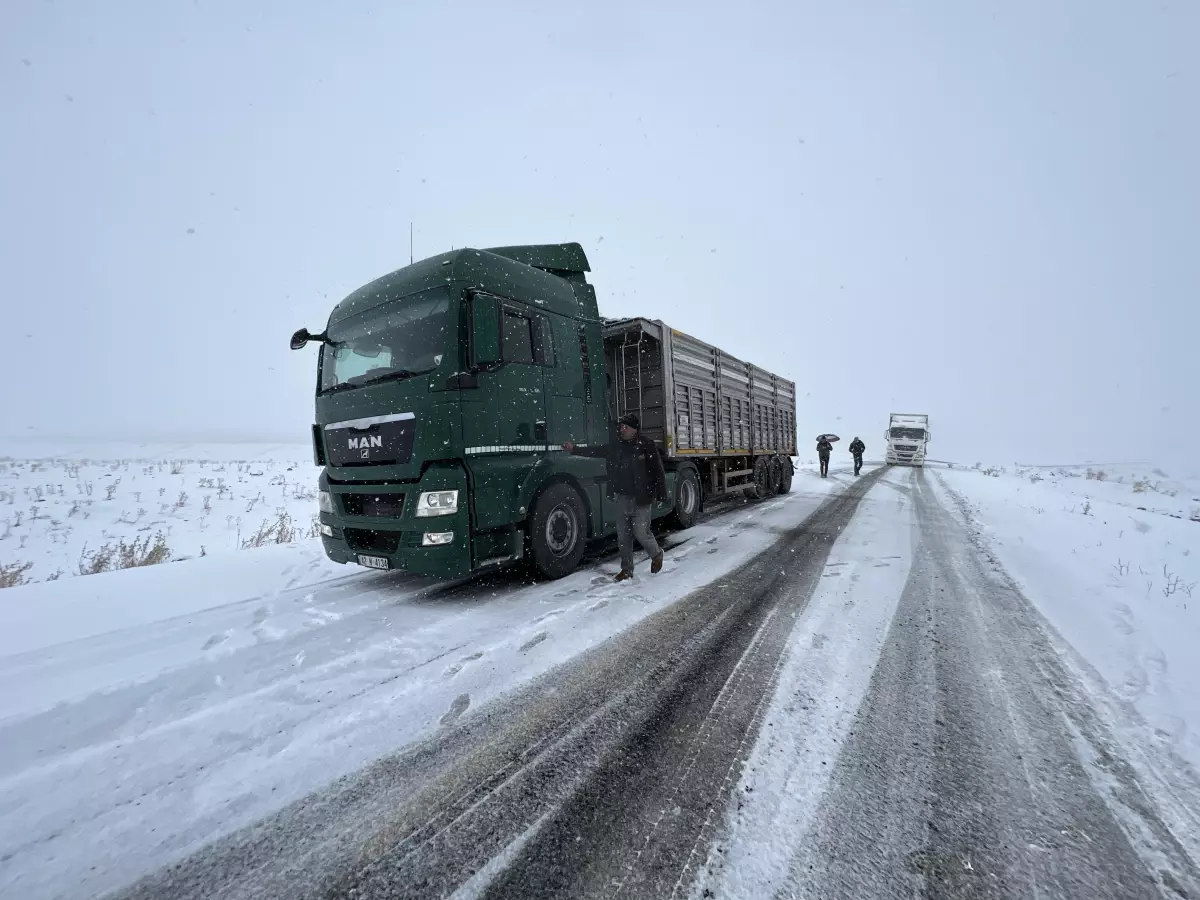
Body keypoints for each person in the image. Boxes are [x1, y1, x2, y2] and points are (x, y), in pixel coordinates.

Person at [563, 413, 669, 582]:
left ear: (635, 429)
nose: (622, 429)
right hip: (622, 498)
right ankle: (626, 570)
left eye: (625, 427)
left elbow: (658, 470)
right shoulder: (617, 446)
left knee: (641, 532)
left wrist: (662, 494)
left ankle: (656, 554)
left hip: (641, 498)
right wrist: (574, 449)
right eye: (621, 427)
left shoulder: (646, 445)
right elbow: (596, 451)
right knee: (623, 536)